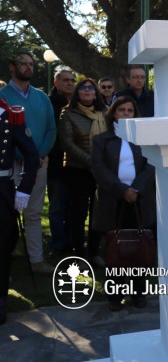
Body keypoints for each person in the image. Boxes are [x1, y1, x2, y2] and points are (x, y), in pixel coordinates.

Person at [91, 96, 156, 311]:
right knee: (115, 248)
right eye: (122, 110)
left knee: (139, 246)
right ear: (114, 114)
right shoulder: (101, 140)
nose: (126, 114)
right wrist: (122, 190)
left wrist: (135, 188)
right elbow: (99, 169)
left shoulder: (144, 139)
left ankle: (138, 292)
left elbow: (151, 165)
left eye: (130, 110)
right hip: (113, 200)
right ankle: (115, 295)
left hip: (139, 200)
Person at [0, 52, 56, 273]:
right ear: (13, 67)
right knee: (6, 213)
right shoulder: (2, 97)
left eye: (31, 64)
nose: (28, 67)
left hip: (38, 163)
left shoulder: (42, 97)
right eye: (23, 63)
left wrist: (40, 154)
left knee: (33, 213)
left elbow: (52, 128)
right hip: (9, 165)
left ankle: (36, 260)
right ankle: (7, 255)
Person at [58, 78, 108, 264]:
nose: (87, 91)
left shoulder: (105, 113)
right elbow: (68, 144)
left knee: (98, 212)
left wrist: (101, 164)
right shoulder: (68, 114)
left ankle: (94, 251)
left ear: (96, 93)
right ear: (77, 92)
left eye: (91, 88)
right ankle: (78, 253)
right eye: (83, 88)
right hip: (78, 170)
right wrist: (92, 162)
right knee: (78, 213)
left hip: (101, 171)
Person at [0, 99, 40, 324]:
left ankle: (0, 298)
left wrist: (24, 189)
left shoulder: (10, 117)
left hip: (1, 189)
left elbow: (32, 155)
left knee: (2, 244)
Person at [47, 69, 75, 257]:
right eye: (65, 80)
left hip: (76, 165)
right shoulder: (47, 104)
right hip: (55, 164)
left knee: (74, 207)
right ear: (56, 82)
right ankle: (58, 245)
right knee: (57, 207)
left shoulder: (78, 103)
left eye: (72, 80)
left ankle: (72, 242)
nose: (70, 83)